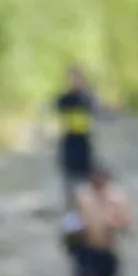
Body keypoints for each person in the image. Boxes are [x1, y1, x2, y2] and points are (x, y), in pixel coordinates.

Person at [53, 66, 97, 210]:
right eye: (72, 78)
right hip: (69, 141)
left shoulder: (87, 97)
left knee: (85, 180)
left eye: (77, 78)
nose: (74, 81)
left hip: (83, 142)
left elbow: (96, 109)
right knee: (69, 181)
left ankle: (88, 213)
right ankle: (72, 215)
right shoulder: (65, 99)